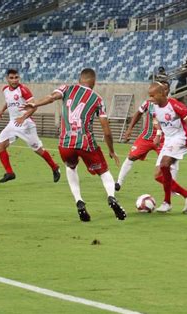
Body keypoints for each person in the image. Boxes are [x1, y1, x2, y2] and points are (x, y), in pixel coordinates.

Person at [21, 68, 127, 222]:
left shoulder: (67, 88)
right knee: (104, 172)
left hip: (65, 143)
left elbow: (51, 97)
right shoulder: (97, 99)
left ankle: (79, 201)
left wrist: (34, 103)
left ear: (79, 79)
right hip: (86, 143)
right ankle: (111, 197)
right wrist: (111, 150)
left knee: (71, 168)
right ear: (94, 81)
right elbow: (107, 130)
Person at [0, 69, 60, 184]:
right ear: (7, 79)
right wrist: (2, 110)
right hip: (13, 123)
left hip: (26, 124)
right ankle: (10, 173)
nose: (14, 80)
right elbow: (8, 101)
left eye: (16, 77)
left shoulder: (23, 90)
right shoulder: (5, 90)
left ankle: (55, 167)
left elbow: (34, 106)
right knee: (0, 146)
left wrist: (23, 117)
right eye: (12, 78)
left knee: (38, 150)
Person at [149, 82, 187, 213]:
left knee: (164, 164)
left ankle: (167, 203)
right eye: (149, 96)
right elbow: (157, 121)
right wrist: (158, 135)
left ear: (162, 94)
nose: (150, 98)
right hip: (168, 140)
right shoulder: (154, 106)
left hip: (181, 138)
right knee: (158, 175)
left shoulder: (174, 105)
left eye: (152, 95)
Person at [115, 81, 179, 191]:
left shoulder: (173, 104)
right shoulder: (148, 103)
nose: (163, 91)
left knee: (171, 162)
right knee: (131, 157)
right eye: (161, 88)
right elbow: (138, 113)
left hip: (164, 139)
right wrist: (129, 128)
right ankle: (118, 183)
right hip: (146, 136)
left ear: (168, 90)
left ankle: (172, 188)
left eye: (165, 89)